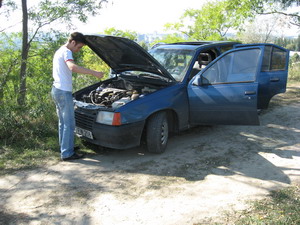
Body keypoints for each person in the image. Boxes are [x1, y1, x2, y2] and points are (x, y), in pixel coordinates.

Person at [51, 32, 104, 161]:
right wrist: (94, 73)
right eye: (79, 47)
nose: (78, 50)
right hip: (63, 92)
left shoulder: (59, 50)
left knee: (63, 123)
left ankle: (65, 148)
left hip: (56, 90)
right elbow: (72, 67)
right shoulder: (67, 52)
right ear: (73, 42)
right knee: (69, 123)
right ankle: (67, 154)